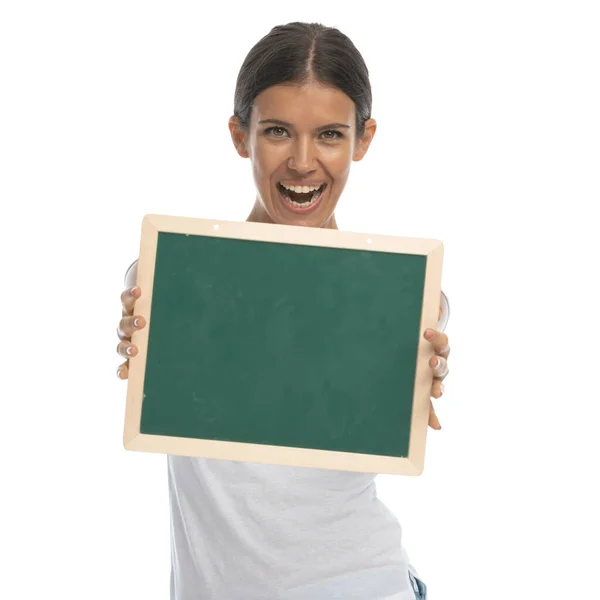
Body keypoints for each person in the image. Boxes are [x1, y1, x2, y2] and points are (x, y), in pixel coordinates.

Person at [116, 21, 451, 600]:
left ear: (362, 140)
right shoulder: (169, 276)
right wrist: (133, 332)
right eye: (276, 131)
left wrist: (428, 372)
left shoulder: (405, 294)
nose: (302, 162)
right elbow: (137, 311)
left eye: (328, 135)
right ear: (239, 134)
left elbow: (427, 347)